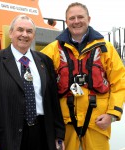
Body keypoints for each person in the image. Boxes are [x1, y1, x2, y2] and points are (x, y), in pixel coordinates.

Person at [41, 2, 125, 150]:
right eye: (72, 18)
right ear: (66, 21)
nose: (76, 21)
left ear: (89, 19)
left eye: (81, 17)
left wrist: (111, 115)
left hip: (97, 123)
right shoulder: (52, 50)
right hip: (65, 124)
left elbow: (120, 82)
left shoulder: (106, 49)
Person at [0, 14, 65, 150]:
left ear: (33, 36)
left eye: (29, 31)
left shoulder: (45, 61)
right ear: (11, 33)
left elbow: (53, 101)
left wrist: (59, 135)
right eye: (20, 30)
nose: (24, 34)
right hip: (8, 136)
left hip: (42, 134)